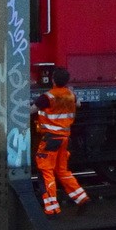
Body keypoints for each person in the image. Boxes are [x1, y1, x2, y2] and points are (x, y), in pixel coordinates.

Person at [32, 67, 90, 216]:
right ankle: (82, 198)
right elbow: (78, 105)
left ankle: (51, 209)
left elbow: (30, 110)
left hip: (51, 139)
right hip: (65, 138)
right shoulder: (71, 95)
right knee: (62, 171)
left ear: (53, 80)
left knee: (46, 171)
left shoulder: (47, 97)